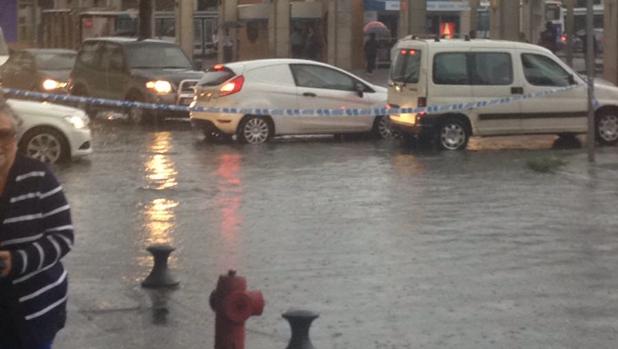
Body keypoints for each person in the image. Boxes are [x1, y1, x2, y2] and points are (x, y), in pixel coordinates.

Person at [0, 96, 74, 349]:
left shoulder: (39, 176)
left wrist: (17, 261)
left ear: (16, 138)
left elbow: (63, 236)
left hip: (35, 307)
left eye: (4, 134)